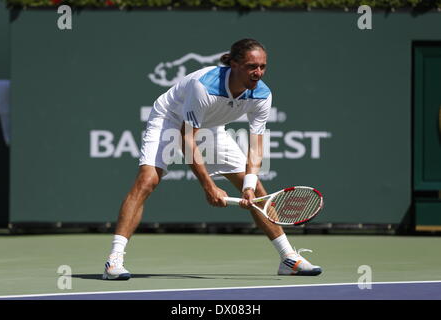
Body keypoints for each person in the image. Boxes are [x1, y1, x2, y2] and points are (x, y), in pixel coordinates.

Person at [103, 39, 322, 280]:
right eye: (251, 66)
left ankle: (289, 259)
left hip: (212, 127)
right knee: (147, 181)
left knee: (257, 190)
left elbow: (256, 146)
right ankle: (114, 260)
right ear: (235, 64)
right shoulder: (204, 87)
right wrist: (209, 186)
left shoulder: (262, 94)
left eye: (263, 66)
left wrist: (248, 186)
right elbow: (187, 141)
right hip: (169, 119)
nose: (258, 73)